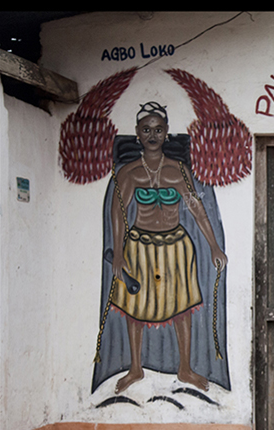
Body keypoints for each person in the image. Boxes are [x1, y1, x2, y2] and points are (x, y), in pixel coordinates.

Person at [93, 102, 229, 394]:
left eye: (158, 129)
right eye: (146, 129)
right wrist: (118, 252)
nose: (152, 134)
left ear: (166, 133)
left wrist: (215, 247)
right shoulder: (128, 173)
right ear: (137, 134)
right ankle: (135, 368)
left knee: (182, 306)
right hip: (140, 247)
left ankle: (184, 368)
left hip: (176, 247)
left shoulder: (177, 170)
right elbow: (118, 212)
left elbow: (196, 208)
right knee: (135, 309)